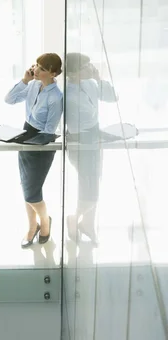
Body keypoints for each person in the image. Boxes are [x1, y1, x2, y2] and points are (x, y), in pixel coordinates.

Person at [5, 53, 63, 248]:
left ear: (53, 73)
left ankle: (45, 223)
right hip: (26, 135)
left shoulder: (56, 97)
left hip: (41, 143)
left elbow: (49, 130)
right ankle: (32, 227)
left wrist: (29, 141)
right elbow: (9, 99)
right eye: (36, 66)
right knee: (26, 187)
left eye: (42, 69)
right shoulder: (32, 85)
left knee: (32, 192)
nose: (36, 70)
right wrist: (24, 80)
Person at [65, 53, 117, 244]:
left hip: (94, 141)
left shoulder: (90, 83)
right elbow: (85, 120)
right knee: (90, 188)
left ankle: (88, 224)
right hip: (81, 144)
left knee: (94, 183)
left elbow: (113, 97)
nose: (91, 67)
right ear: (73, 72)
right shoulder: (68, 95)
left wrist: (98, 78)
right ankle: (74, 218)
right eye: (86, 66)